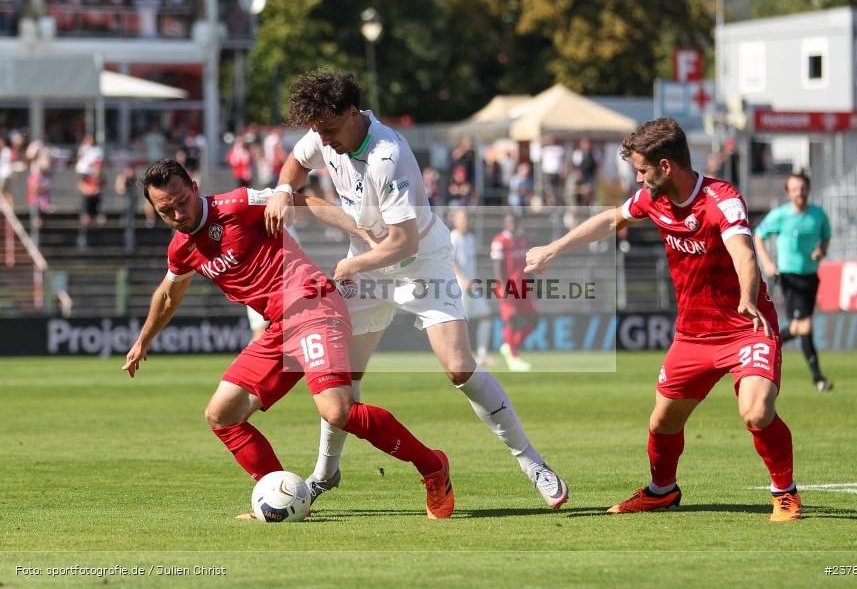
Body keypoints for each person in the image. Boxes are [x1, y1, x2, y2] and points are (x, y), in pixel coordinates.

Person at [265, 70, 568, 510]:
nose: (324, 141)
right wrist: (280, 189)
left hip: (419, 265)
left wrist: (352, 263)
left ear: (352, 114)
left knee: (459, 369)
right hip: (368, 268)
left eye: (329, 130)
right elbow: (297, 161)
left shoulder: (389, 154)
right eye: (318, 132)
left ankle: (532, 462)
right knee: (340, 380)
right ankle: (323, 475)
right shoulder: (326, 132)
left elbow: (403, 242)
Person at [122, 159, 454, 520]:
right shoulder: (181, 249)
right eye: (165, 210)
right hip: (280, 327)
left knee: (336, 411)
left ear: (195, 188)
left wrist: (368, 237)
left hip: (313, 306)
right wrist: (143, 340)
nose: (178, 213)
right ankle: (281, 497)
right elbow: (168, 296)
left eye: (181, 201)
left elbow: (303, 202)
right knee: (222, 415)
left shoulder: (238, 203)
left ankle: (433, 466)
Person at [526, 117, 801, 522]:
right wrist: (555, 247)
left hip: (747, 328)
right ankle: (662, 491)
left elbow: (743, 251)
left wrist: (747, 296)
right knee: (662, 423)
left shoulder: (721, 199)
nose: (638, 178)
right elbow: (609, 220)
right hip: (693, 336)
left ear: (666, 166)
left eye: (641, 169)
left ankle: (785, 493)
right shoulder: (651, 198)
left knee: (756, 411)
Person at [754, 172, 833, 392]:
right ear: (788, 193)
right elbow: (758, 235)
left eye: (802, 188)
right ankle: (818, 377)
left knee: (800, 327)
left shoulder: (818, 215)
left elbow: (826, 237)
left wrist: (821, 250)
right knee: (805, 325)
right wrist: (767, 264)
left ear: (808, 189)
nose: (799, 192)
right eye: (795, 189)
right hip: (789, 276)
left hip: (810, 276)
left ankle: (765, 344)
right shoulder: (780, 215)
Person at [491, 213, 536, 372]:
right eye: (509, 221)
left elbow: (528, 262)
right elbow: (497, 265)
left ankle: (511, 345)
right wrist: (502, 286)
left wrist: (530, 281)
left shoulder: (523, 240)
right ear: (504, 223)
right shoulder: (499, 241)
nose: (512, 224)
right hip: (508, 286)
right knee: (511, 320)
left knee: (533, 320)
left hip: (522, 286)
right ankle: (513, 358)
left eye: (514, 221)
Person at [449, 208, 493, 367]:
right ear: (454, 220)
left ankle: (482, 354)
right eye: (462, 219)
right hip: (459, 285)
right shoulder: (452, 238)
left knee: (486, 316)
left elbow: (471, 261)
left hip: (472, 284)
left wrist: (481, 275)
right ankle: (459, 355)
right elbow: (450, 261)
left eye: (466, 219)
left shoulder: (471, 238)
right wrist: (464, 279)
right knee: (461, 321)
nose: (465, 222)